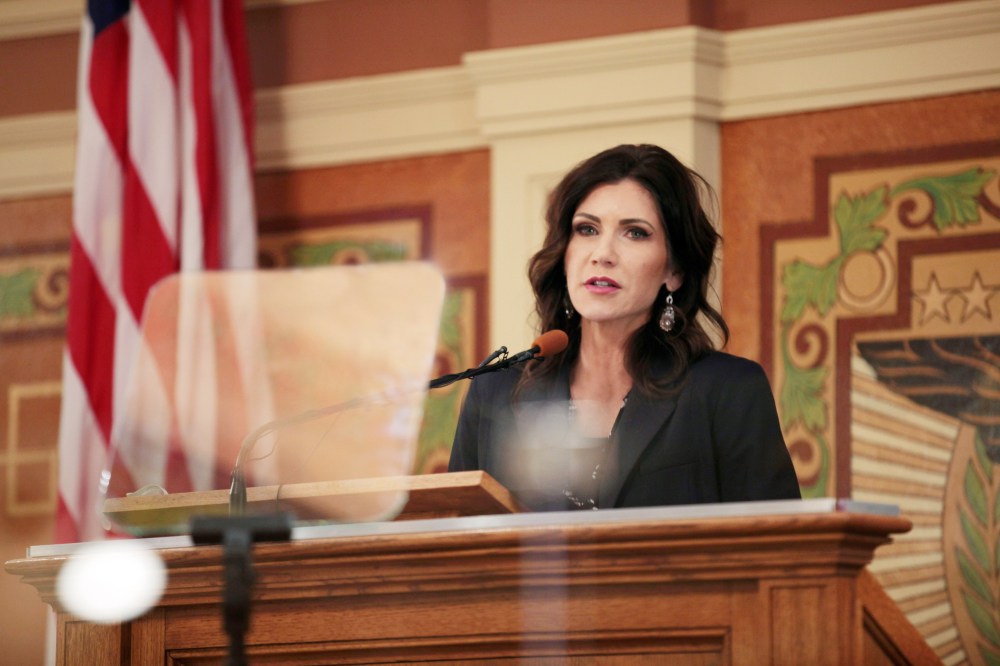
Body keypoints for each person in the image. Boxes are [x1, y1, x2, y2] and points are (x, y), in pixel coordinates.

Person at [449, 144, 800, 510]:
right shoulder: (494, 393)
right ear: (565, 252)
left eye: (635, 233)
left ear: (674, 271)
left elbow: (782, 553)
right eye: (586, 229)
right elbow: (455, 549)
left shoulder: (728, 391)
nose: (602, 254)